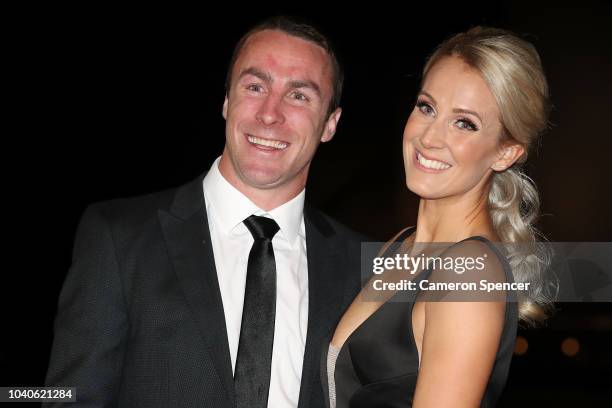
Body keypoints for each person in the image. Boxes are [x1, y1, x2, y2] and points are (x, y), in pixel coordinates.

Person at [45, 16, 366, 408]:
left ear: (330, 123)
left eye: (299, 95)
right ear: (227, 100)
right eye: (255, 86)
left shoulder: (363, 264)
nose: (270, 113)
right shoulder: (118, 235)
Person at [323, 27, 555, 407]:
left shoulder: (469, 271)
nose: (429, 137)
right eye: (426, 107)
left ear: (505, 153)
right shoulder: (400, 246)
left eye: (464, 123)